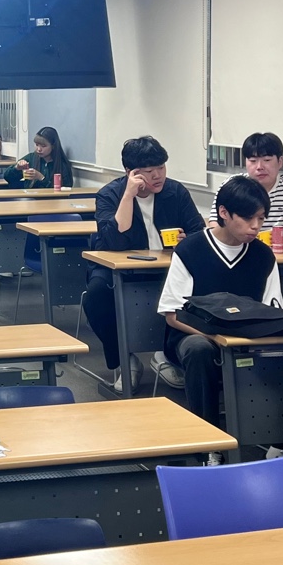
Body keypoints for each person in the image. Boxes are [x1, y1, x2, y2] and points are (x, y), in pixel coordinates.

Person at [159, 176, 280, 435]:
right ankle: (208, 438)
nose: (256, 226)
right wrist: (217, 337)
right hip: (195, 336)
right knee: (199, 349)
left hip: (247, 337)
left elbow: (273, 310)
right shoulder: (190, 250)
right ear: (224, 213)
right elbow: (172, 315)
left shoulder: (263, 255)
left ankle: (278, 438)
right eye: (247, 218)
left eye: (261, 219)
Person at [83, 136, 205, 391]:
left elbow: (199, 233)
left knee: (196, 291)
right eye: (149, 171)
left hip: (166, 268)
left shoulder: (175, 192)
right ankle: (124, 359)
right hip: (116, 269)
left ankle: (167, 355)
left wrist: (186, 241)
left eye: (161, 167)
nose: (158, 175)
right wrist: (128, 196)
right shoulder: (109, 194)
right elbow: (113, 242)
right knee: (95, 295)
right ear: (131, 172)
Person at [208, 132, 283, 247]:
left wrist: (278, 239)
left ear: (280, 162)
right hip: (236, 248)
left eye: (267, 160)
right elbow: (215, 223)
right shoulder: (231, 186)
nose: (259, 167)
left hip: (278, 254)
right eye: (253, 161)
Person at [4, 126, 73, 188]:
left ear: (53, 146)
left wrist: (41, 178)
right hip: (30, 197)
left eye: (43, 146)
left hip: (52, 198)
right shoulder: (31, 158)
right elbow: (7, 177)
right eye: (36, 145)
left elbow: (66, 188)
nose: (39, 149)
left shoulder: (62, 164)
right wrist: (17, 168)